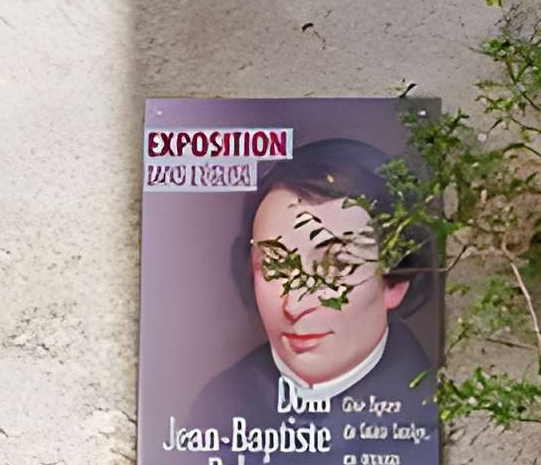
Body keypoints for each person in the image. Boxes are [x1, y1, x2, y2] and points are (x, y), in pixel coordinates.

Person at [185, 138, 433, 432]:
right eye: (276, 266)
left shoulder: (430, 410)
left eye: (337, 266)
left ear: (395, 281)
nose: (295, 305)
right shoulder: (219, 405)